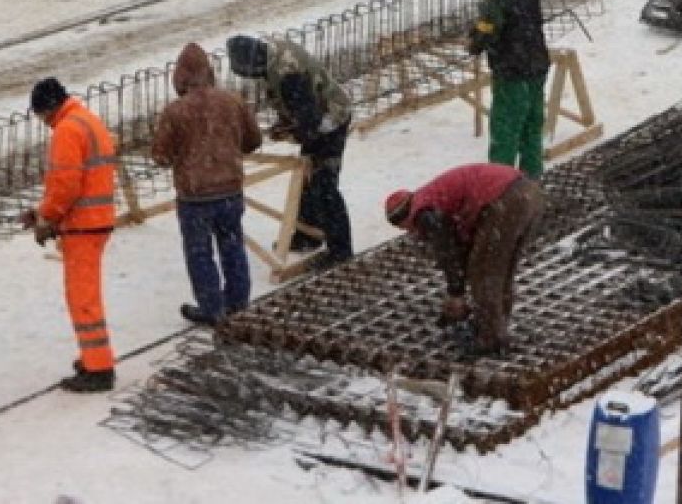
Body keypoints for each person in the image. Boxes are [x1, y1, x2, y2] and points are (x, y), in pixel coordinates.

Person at [152, 43, 263, 326]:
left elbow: (161, 156)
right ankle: (238, 302)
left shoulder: (175, 112)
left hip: (195, 198)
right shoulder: (232, 101)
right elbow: (253, 141)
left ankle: (212, 308)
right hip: (230, 191)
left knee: (199, 254)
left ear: (180, 77)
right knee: (233, 246)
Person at [384, 163, 544, 356]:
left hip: (505, 199)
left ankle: (490, 338)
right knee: (500, 269)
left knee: (484, 273)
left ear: (402, 220)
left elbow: (447, 251)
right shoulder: (432, 198)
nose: (411, 233)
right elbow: (463, 248)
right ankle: (495, 326)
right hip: (527, 193)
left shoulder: (424, 213)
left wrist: (456, 293)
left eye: (405, 229)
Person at [20, 77, 117, 393]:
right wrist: (42, 213)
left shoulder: (67, 130)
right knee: (85, 295)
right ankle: (93, 357)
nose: (45, 125)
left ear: (48, 109)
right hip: (95, 221)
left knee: (83, 298)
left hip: (83, 226)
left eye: (41, 117)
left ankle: (99, 368)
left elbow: (65, 185)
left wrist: (46, 218)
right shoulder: (87, 120)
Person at [226, 35, 354, 267]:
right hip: (318, 116)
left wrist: (294, 132)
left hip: (332, 119)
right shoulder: (270, 57)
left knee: (324, 184)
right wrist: (285, 123)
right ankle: (308, 235)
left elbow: (309, 121)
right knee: (307, 182)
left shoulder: (288, 73)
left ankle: (341, 249)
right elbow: (290, 104)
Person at [468, 0, 551, 179]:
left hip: (512, 69)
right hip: (537, 63)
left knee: (506, 128)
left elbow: (487, 30)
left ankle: (500, 186)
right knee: (532, 125)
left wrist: (473, 42)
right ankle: (533, 179)